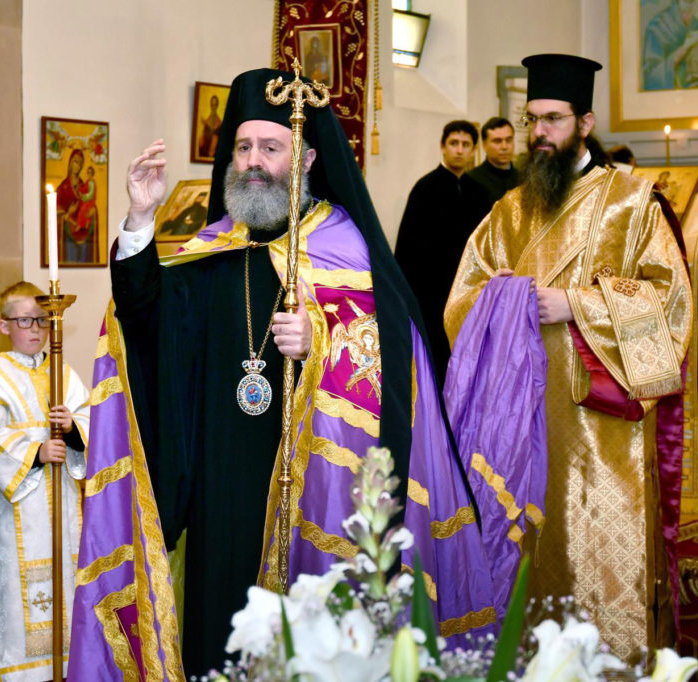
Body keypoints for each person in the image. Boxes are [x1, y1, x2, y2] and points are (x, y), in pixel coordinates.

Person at [68, 68, 498, 679]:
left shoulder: (347, 250)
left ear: (307, 157)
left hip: (319, 489)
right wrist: (140, 220)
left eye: (271, 148)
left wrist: (321, 340)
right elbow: (146, 321)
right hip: (222, 485)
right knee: (221, 633)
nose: (253, 162)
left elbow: (400, 364)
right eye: (243, 148)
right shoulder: (215, 249)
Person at [444, 54, 692, 661]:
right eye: (531, 120)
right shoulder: (507, 211)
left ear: (584, 122)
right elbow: (462, 302)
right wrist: (509, 304)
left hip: (600, 425)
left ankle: (615, 661)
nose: (538, 134)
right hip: (517, 419)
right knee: (528, 544)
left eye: (552, 119)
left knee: (598, 554)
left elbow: (670, 306)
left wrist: (577, 305)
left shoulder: (633, 202)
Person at [0, 281, 90, 680]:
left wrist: (72, 431)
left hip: (63, 509)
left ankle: (67, 669)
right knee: (18, 601)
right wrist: (37, 453)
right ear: (5, 326)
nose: (35, 330)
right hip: (16, 509)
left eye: (42, 321)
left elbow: (90, 422)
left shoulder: (64, 374)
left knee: (65, 591)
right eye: (25, 321)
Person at [394, 120, 489, 388]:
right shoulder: (424, 189)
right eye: (454, 144)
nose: (459, 150)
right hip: (430, 297)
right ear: (443, 147)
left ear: (474, 150)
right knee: (434, 368)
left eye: (466, 145)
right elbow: (406, 249)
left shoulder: (480, 194)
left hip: (469, 295)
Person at [467, 117, 519, 208]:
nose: (504, 147)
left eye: (508, 140)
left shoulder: (524, 179)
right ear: (484, 145)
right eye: (497, 141)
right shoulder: (471, 181)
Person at [197, 94, 222, 158]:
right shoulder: (208, 119)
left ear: (217, 105)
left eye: (215, 105)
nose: (213, 107)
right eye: (212, 104)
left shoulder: (219, 121)